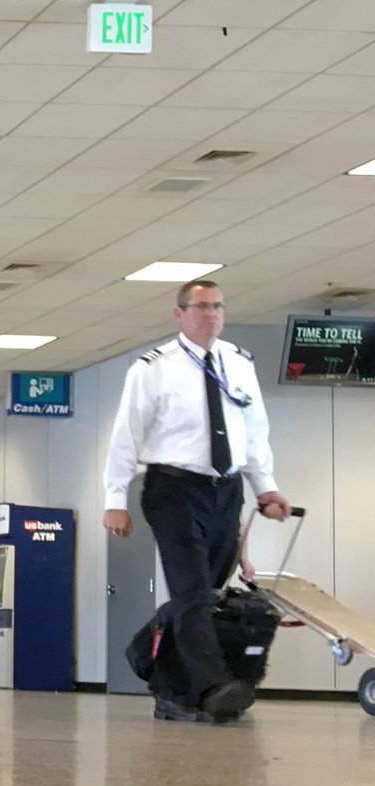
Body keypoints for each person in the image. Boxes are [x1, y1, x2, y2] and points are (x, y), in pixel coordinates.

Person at [103, 279, 292, 723]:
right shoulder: (152, 368)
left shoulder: (239, 364)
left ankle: (164, 677)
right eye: (202, 306)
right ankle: (212, 686)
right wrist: (116, 498)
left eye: (218, 306)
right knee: (190, 591)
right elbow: (124, 437)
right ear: (180, 313)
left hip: (225, 490)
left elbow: (254, 431)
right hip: (173, 489)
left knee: (206, 595)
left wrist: (264, 486)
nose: (212, 314)